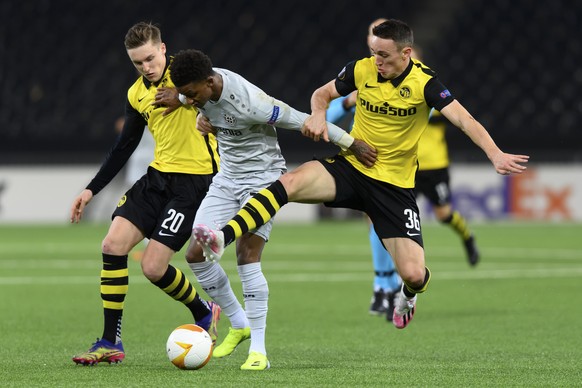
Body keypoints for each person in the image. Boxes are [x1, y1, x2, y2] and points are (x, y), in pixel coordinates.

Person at [193, 19, 529, 331]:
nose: (377, 61)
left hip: (394, 187)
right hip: (352, 167)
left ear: (406, 53)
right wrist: (318, 115)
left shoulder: (425, 84)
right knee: (288, 182)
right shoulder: (360, 70)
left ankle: (407, 295)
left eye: (383, 55)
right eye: (373, 53)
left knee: (415, 274)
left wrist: (495, 153)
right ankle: (223, 235)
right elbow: (321, 94)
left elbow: (464, 119)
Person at [168, 49, 376, 370]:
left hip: (262, 179)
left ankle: (259, 352)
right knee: (195, 254)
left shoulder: (254, 104)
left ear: (210, 82)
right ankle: (239, 324)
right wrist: (182, 102)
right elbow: (191, 99)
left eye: (192, 94)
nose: (190, 100)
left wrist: (353, 143)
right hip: (227, 178)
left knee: (246, 256)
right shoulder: (198, 87)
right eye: (186, 95)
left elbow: (304, 120)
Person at [69, 22, 221, 366]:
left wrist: (183, 97)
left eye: (150, 59)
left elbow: (221, 94)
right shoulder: (137, 94)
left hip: (195, 182)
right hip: (157, 178)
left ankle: (203, 309)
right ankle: (110, 341)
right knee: (112, 245)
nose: (146, 68)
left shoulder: (189, 74)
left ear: (164, 49)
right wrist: (91, 189)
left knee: (153, 268)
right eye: (138, 63)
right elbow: (124, 147)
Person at [326, 18, 402, 320]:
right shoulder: (362, 73)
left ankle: (392, 284)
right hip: (367, 160)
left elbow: (433, 108)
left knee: (391, 225)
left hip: (399, 164)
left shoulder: (409, 72)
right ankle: (384, 285)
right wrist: (348, 102)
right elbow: (328, 115)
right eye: (372, 35)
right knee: (375, 220)